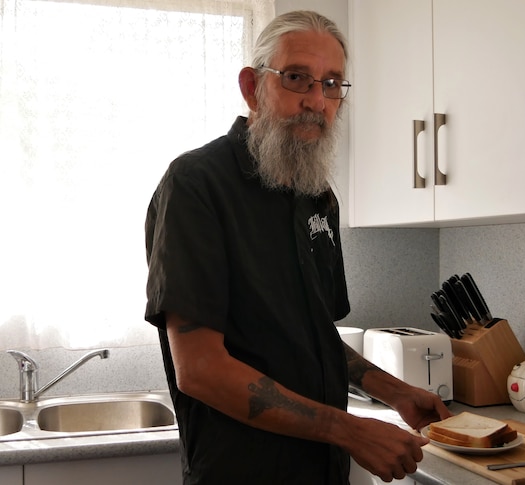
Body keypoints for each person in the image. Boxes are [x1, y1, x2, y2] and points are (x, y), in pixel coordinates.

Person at [145, 10, 452, 484]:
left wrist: (395, 392)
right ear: (253, 88)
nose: (317, 100)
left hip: (322, 470)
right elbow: (200, 369)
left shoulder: (317, 195)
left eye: (332, 84)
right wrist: (350, 430)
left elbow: (314, 335)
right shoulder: (197, 185)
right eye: (297, 79)